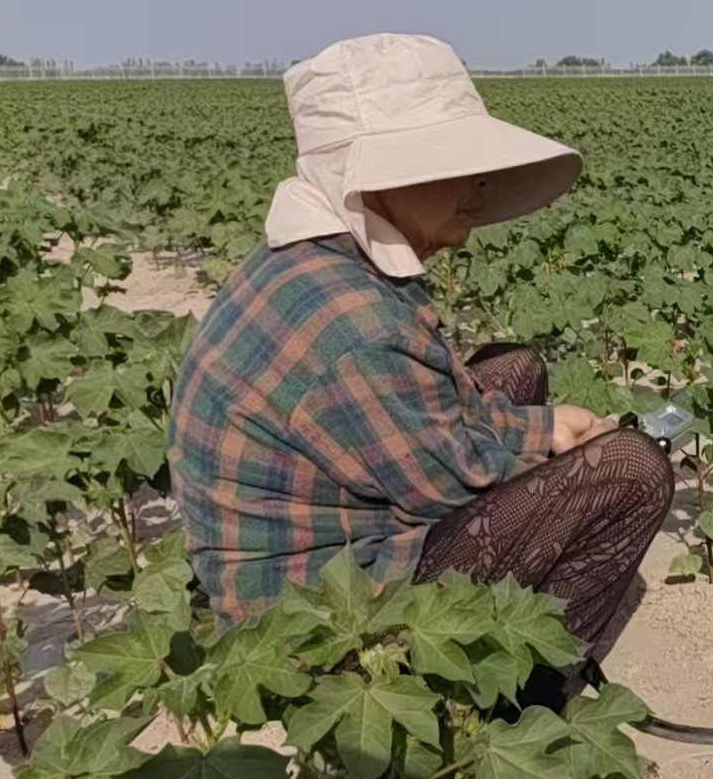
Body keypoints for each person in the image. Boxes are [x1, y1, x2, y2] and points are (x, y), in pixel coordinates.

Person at [169, 34, 674, 665]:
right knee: (630, 468)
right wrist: (571, 455)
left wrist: (542, 428)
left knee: (517, 367)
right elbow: (451, 484)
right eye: (452, 167)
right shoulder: (358, 327)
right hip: (312, 618)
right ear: (373, 180)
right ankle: (524, 700)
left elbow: (429, 412)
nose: (477, 186)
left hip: (304, 555)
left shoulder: (318, 257)